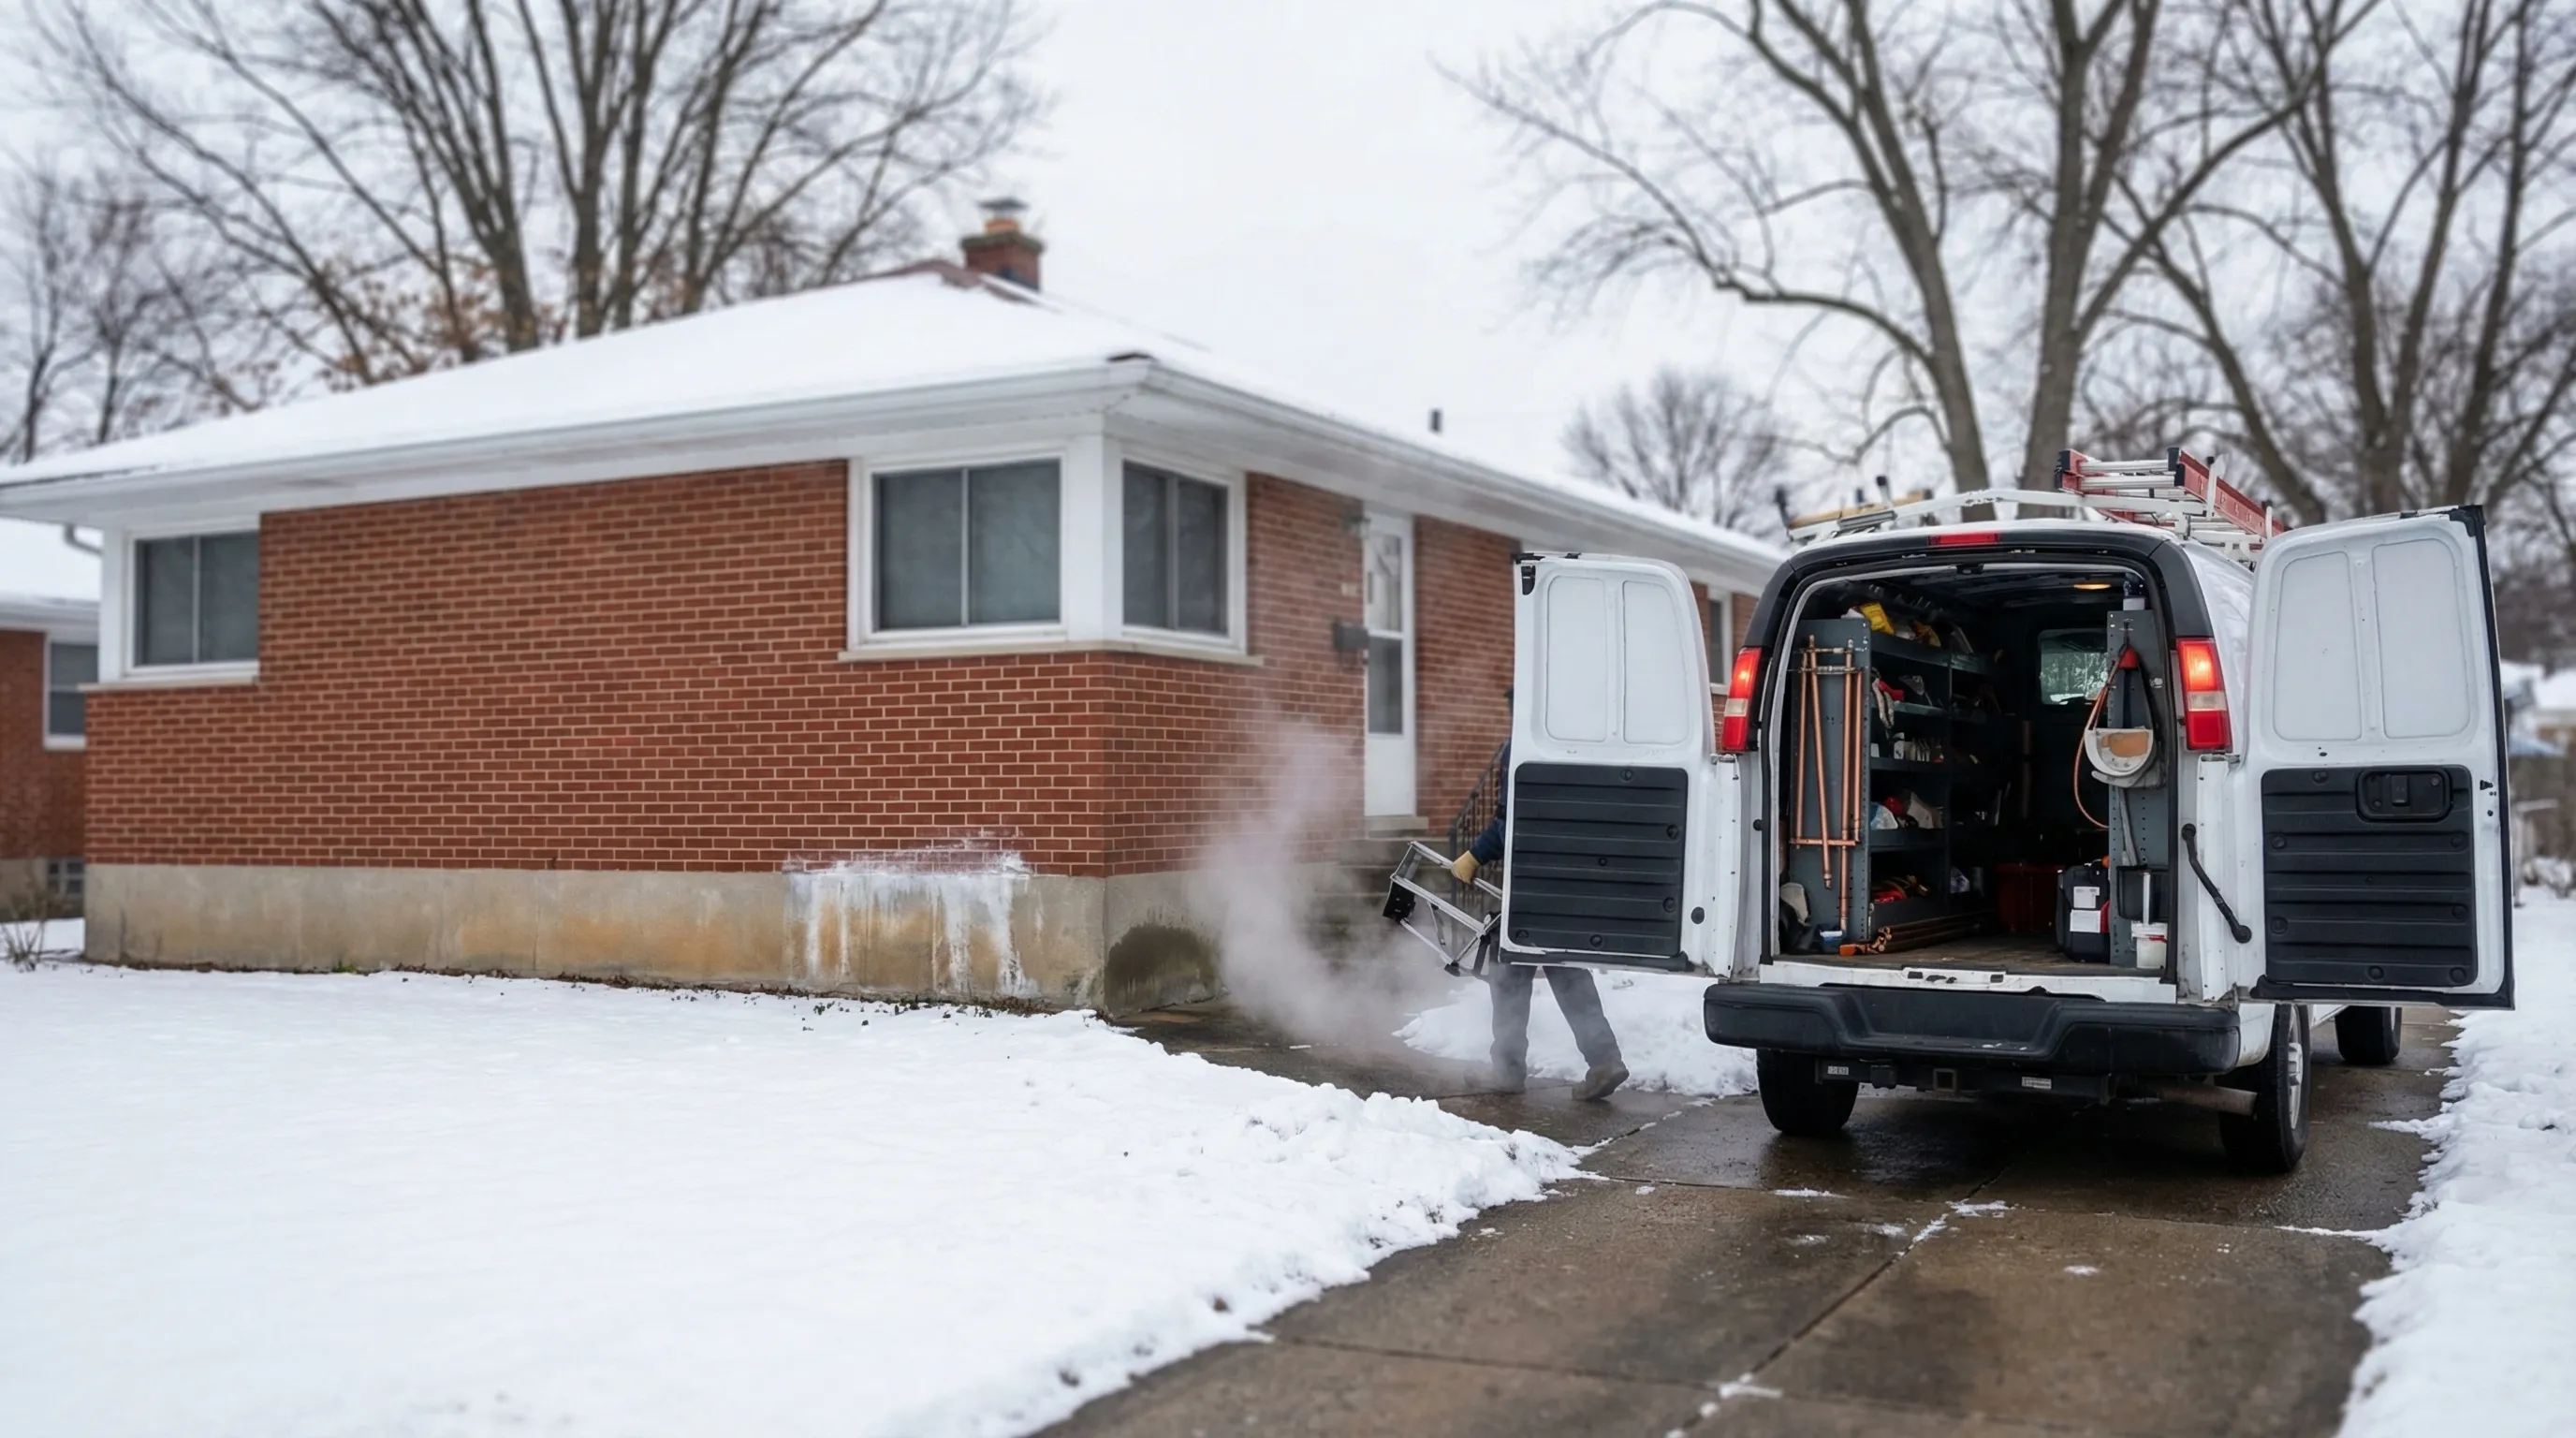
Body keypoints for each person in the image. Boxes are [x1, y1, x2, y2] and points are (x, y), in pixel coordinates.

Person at [1449, 732, 1630, 1103]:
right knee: (1566, 969)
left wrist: (1475, 855)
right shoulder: (1584, 742)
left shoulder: (1525, 743)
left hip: (1533, 880)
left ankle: (1507, 1070)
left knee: (1508, 971)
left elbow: (1512, 819)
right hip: (1572, 880)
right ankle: (1604, 1061)